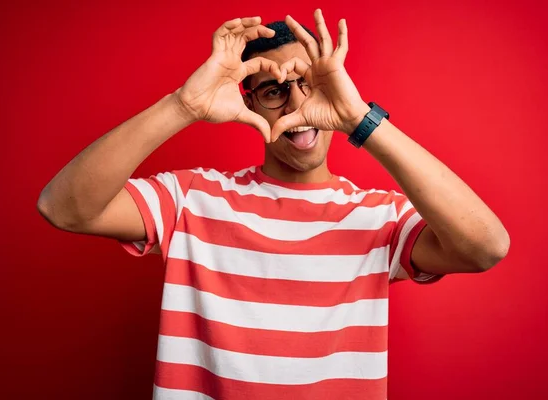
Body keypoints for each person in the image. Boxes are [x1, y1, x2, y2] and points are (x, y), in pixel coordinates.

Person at [37, 9, 510, 400]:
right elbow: (65, 208)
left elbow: (485, 247)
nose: (296, 105)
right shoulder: (193, 199)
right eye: (273, 90)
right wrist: (185, 105)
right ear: (250, 103)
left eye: (309, 84)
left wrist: (359, 118)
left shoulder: (378, 215)